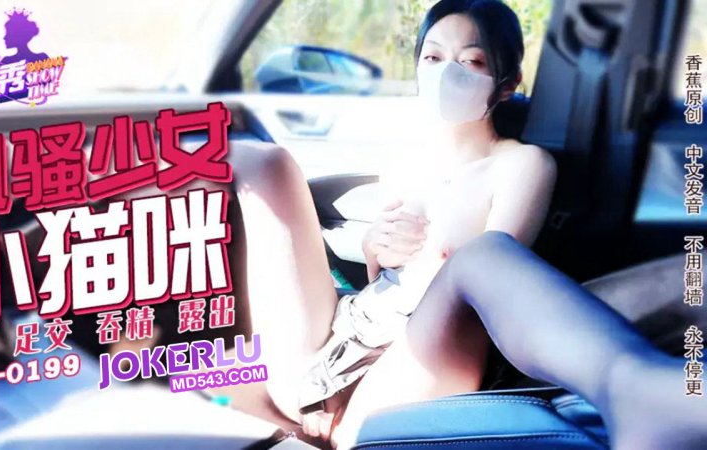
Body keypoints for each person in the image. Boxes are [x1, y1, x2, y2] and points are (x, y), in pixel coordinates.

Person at [189, 0, 707, 448]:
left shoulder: (521, 164)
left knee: (484, 257)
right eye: (433, 57)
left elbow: (498, 290)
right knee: (260, 161)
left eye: (471, 61)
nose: (447, 72)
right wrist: (374, 248)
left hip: (412, 362)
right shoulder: (405, 161)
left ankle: (638, 392)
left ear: (507, 84)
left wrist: (441, 264)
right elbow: (381, 284)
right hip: (337, 342)